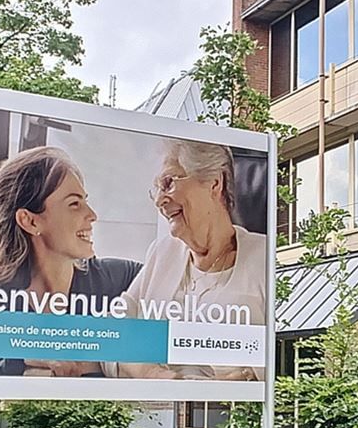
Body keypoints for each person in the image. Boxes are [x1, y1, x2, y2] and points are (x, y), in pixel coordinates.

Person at [0, 146, 140, 377]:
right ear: (30, 221)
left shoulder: (122, 281)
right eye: (74, 204)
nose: (92, 215)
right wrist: (20, 365)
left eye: (85, 201)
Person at [115, 140, 269, 381]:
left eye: (168, 183)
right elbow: (118, 330)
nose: (159, 200)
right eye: (156, 189)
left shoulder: (266, 258)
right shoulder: (162, 253)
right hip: (158, 412)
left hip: (233, 415)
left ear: (214, 183)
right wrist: (153, 374)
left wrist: (228, 385)